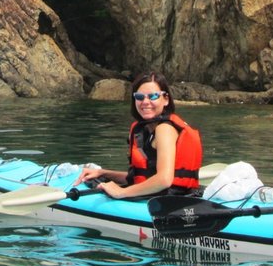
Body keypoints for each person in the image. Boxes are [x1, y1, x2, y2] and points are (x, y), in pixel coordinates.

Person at [73, 71, 203, 199]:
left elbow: (164, 180)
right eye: (140, 97)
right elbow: (142, 177)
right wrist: (103, 173)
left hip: (170, 203)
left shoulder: (165, 129)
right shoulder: (147, 129)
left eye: (153, 96)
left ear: (166, 99)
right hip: (162, 196)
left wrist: (120, 192)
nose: (145, 102)